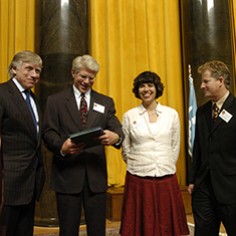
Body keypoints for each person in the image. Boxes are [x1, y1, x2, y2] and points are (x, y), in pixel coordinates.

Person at [42, 54, 124, 236]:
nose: (87, 81)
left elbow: (118, 129)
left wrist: (116, 137)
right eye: (83, 76)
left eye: (91, 77)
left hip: (95, 178)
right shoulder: (55, 101)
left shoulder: (105, 102)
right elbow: (48, 132)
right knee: (68, 230)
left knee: (97, 231)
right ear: (73, 73)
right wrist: (61, 147)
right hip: (67, 176)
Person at [120, 71, 189, 236]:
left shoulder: (171, 114)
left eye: (150, 85)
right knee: (140, 227)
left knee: (167, 226)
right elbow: (125, 149)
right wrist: (140, 162)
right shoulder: (129, 116)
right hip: (139, 177)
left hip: (166, 176)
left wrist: (164, 163)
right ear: (137, 90)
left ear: (157, 88)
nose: (146, 89)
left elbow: (175, 146)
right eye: (142, 86)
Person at [188, 60, 236, 236]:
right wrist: (192, 181)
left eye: (206, 81)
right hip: (203, 189)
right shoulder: (201, 112)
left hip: (231, 189)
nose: (201, 86)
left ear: (220, 81)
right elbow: (198, 148)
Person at [0, 50, 45, 236]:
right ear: (13, 69)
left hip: (30, 180)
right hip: (7, 183)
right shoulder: (2, 93)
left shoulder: (33, 98)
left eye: (38, 71)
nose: (35, 75)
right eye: (29, 69)